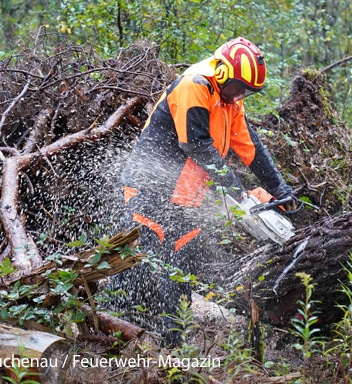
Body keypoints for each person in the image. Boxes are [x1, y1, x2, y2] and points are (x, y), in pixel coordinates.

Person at [105, 37, 296, 345]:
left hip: (185, 198)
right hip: (148, 189)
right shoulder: (194, 86)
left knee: (180, 270)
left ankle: (172, 344)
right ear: (222, 73)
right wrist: (238, 192)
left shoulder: (230, 101)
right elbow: (195, 145)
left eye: (246, 91)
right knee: (136, 262)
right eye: (238, 88)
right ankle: (113, 335)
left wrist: (279, 188)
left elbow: (250, 147)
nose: (240, 95)